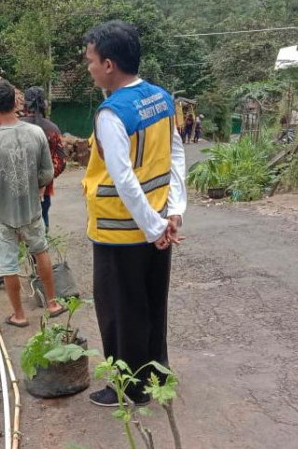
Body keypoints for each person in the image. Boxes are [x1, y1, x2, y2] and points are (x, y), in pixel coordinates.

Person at [82, 20, 186, 406]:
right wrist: (172, 213)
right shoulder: (160, 97)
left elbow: (124, 180)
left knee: (120, 309)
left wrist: (154, 225)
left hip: (121, 231)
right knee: (152, 301)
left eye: (91, 60)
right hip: (158, 225)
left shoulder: (112, 113)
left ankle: (130, 387)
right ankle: (156, 372)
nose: (89, 67)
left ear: (109, 64)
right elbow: (176, 154)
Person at [0, 80, 65, 326]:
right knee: (41, 251)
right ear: (16, 103)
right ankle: (52, 303)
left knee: (8, 264)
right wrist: (33, 186)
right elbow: (47, 172)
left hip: (3, 214)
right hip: (32, 209)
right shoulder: (36, 133)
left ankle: (19, 315)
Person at [20, 86, 67, 229]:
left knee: (19, 227)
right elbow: (61, 162)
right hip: (44, 190)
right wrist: (45, 180)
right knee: (41, 223)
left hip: (17, 189)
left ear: (24, 104)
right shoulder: (52, 129)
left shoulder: (15, 127)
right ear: (44, 104)